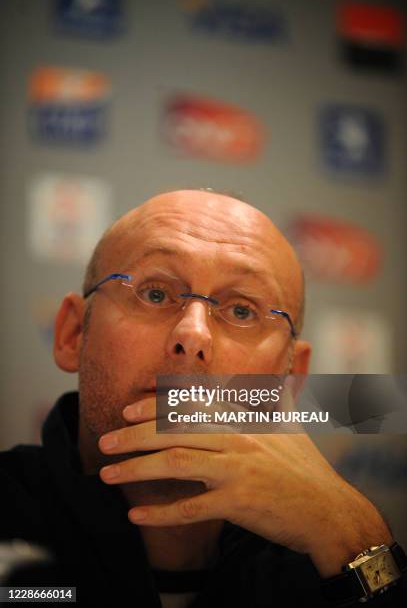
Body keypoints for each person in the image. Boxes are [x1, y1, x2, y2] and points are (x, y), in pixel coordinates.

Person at [0, 189, 406, 607]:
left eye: (243, 311)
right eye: (155, 293)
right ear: (72, 335)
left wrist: (355, 538)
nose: (193, 335)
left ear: (290, 380)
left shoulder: (334, 552)